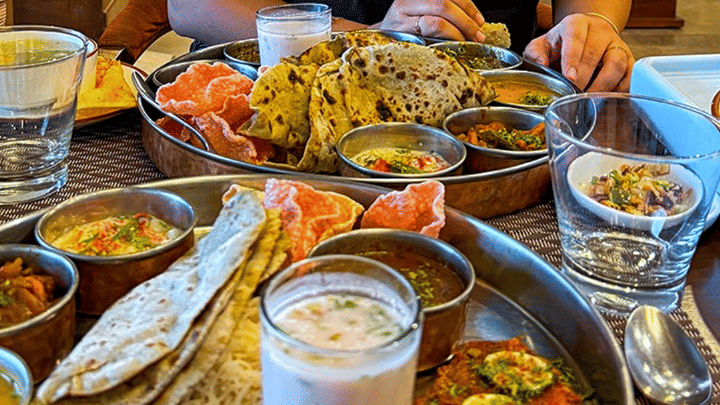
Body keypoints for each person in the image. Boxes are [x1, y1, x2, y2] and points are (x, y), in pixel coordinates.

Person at [168, 0, 634, 92]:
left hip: (499, 95)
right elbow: (190, 6)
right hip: (282, 85)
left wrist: (591, 22)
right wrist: (370, 35)